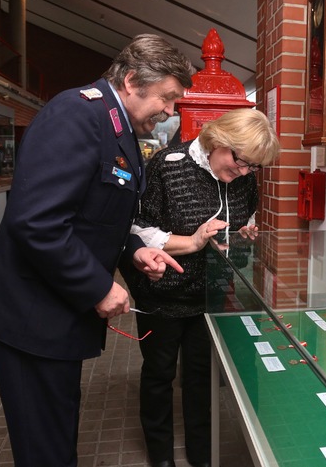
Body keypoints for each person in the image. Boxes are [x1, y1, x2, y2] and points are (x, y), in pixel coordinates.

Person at [0, 34, 194, 467]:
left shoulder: (116, 126)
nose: (169, 111)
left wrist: (134, 252)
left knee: (58, 427)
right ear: (130, 81)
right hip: (31, 313)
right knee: (44, 444)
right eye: (167, 98)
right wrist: (98, 287)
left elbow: (99, 216)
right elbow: (37, 222)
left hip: (56, 311)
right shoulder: (76, 114)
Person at [120, 108, 280, 467]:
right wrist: (191, 242)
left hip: (209, 294)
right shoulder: (168, 165)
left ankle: (201, 452)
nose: (243, 173)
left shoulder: (244, 176)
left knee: (201, 376)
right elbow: (136, 228)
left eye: (253, 167)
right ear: (218, 142)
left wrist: (239, 236)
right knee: (160, 374)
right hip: (162, 293)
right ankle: (160, 456)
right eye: (240, 162)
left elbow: (239, 219)